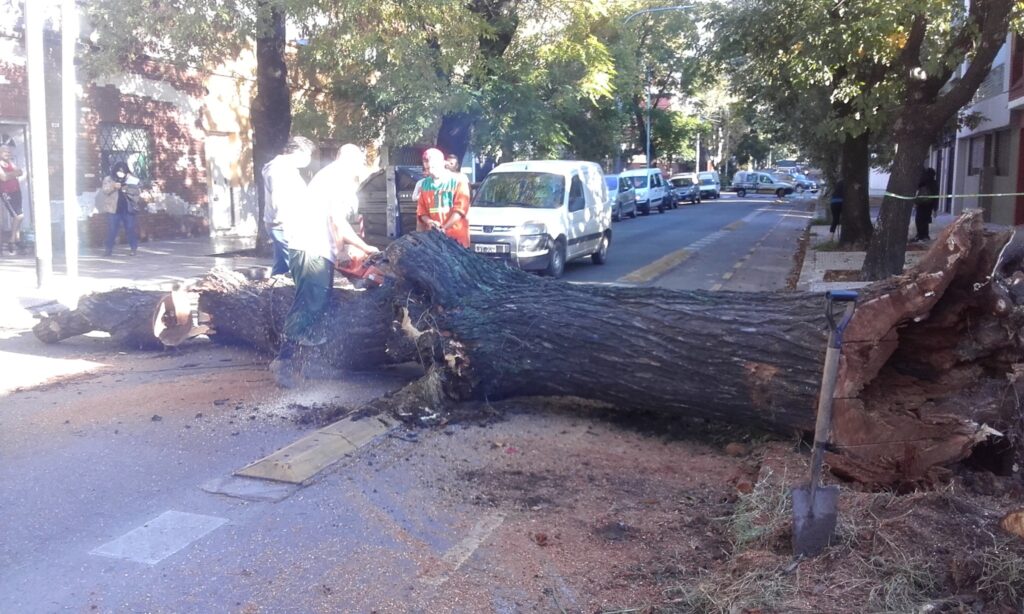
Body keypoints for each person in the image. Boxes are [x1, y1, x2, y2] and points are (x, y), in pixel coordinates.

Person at [269, 143, 378, 388]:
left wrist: (355, 247)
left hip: (313, 248)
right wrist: (349, 249)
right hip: (311, 249)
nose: (360, 169)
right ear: (350, 160)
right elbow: (336, 221)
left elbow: (337, 222)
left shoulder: (328, 176)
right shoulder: (337, 179)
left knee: (320, 306)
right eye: (360, 163)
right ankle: (284, 362)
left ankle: (310, 362)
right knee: (309, 306)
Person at [263, 136, 315, 276]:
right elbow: (279, 200)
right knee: (297, 268)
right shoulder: (280, 169)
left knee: (282, 266)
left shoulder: (285, 168)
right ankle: (292, 296)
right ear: (299, 151)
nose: (309, 159)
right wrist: (289, 227)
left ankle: (274, 294)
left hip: (284, 225)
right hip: (284, 226)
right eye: (308, 154)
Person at [416, 148, 471, 247]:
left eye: (433, 167)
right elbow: (421, 211)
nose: (430, 170)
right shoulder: (425, 184)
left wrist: (443, 228)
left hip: (457, 240)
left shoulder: (459, 181)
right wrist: (430, 222)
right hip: (435, 241)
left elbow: (460, 211)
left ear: (442, 163)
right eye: (427, 168)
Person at [98, 161, 142, 256]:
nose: (121, 174)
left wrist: (127, 189)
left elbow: (137, 193)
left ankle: (133, 248)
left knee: (130, 228)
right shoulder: (109, 179)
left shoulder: (130, 179)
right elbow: (105, 191)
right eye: (119, 171)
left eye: (123, 172)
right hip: (114, 209)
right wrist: (113, 186)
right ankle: (108, 249)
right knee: (112, 229)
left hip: (127, 209)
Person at [0, 145, 24, 254]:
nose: (7, 153)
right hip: (7, 193)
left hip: (16, 191)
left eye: (9, 152)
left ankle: (17, 239)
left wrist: (11, 174)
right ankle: (12, 240)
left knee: (19, 215)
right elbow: (3, 177)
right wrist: (14, 174)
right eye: (5, 151)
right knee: (18, 216)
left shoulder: (10, 162)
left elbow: (20, 172)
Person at [913, 167, 939, 242]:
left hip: (921, 204)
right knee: (925, 220)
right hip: (929, 205)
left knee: (919, 220)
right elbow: (936, 197)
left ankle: (920, 235)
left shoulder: (923, 181)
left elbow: (918, 186)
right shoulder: (934, 183)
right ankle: (925, 235)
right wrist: (935, 209)